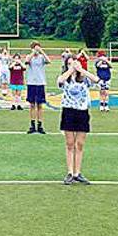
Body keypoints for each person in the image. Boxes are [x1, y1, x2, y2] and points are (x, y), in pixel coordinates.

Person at [58, 56, 100, 185]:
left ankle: (77, 172)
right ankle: (70, 172)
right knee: (70, 143)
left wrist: (81, 70)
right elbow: (60, 80)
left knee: (80, 144)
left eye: (74, 63)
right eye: (70, 64)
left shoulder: (84, 79)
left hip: (82, 112)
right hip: (69, 111)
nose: (73, 66)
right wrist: (71, 70)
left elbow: (96, 80)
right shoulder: (65, 78)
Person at [26, 41, 51, 134]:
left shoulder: (41, 58)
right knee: (32, 104)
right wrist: (33, 52)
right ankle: (32, 125)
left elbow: (49, 61)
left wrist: (42, 51)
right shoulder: (30, 56)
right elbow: (27, 61)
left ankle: (40, 125)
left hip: (40, 83)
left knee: (40, 105)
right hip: (31, 83)